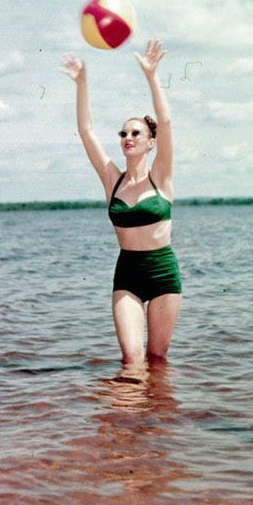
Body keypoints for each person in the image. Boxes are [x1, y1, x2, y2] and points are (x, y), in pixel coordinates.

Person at [60, 39, 182, 374]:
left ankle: (156, 422)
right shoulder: (112, 179)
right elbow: (85, 131)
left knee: (157, 360)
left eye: (136, 133)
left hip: (162, 274)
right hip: (127, 273)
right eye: (123, 133)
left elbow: (167, 123)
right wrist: (82, 83)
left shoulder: (161, 177)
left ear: (150, 143)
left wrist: (152, 76)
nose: (127, 137)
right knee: (131, 359)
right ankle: (128, 420)